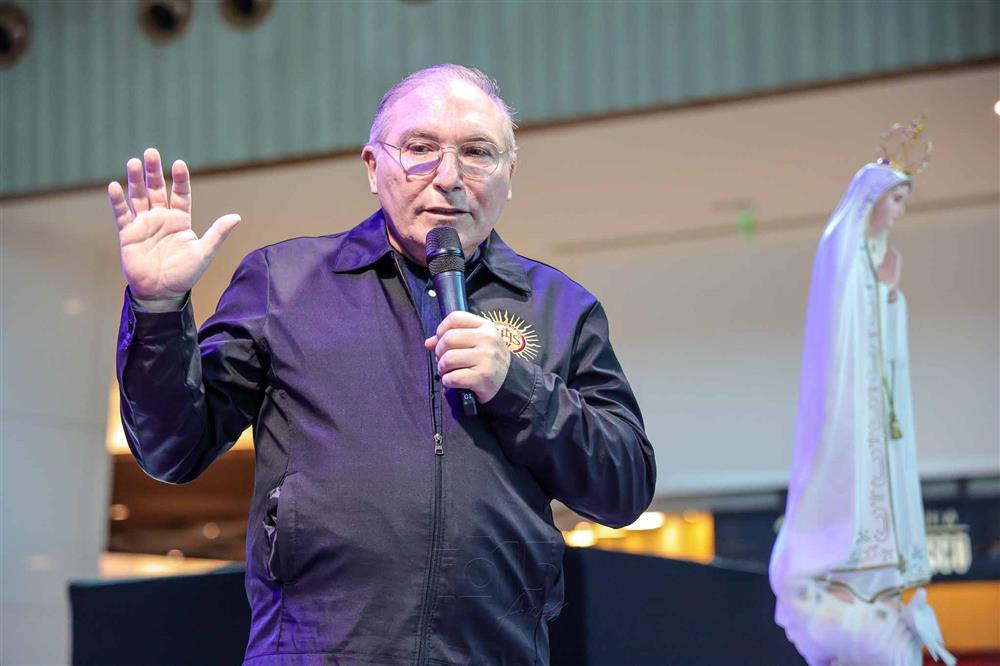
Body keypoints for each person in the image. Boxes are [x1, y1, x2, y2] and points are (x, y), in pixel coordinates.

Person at [108, 64, 656, 665]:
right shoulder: (284, 283)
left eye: (477, 153)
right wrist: (157, 310)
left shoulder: (562, 309)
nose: (448, 177)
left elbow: (624, 487)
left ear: (509, 175)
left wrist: (517, 386)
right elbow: (172, 449)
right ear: (373, 167)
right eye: (420, 149)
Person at [768, 121, 954, 666]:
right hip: (848, 399)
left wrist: (890, 299)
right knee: (847, 471)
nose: (898, 212)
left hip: (876, 399)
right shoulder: (842, 247)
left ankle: (875, 576)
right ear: (871, 200)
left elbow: (879, 327)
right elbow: (838, 328)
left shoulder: (875, 261)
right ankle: (842, 565)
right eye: (894, 200)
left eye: (902, 202)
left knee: (882, 472)